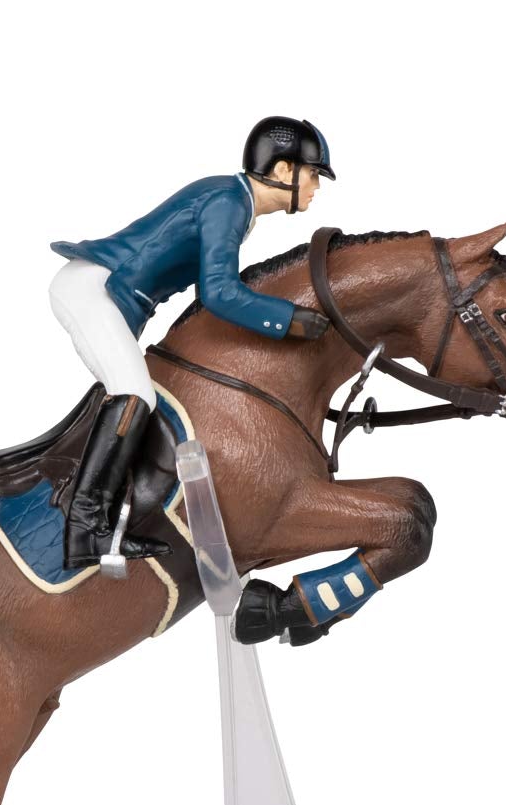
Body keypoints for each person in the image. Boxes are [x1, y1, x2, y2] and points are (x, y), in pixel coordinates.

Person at [48, 115, 336, 568]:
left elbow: (212, 294)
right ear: (283, 170)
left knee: (134, 394)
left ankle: (110, 515)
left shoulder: (236, 205)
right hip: (93, 289)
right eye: (313, 174)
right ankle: (84, 529)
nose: (316, 186)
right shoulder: (228, 203)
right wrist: (287, 319)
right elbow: (218, 293)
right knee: (134, 393)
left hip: (109, 296)